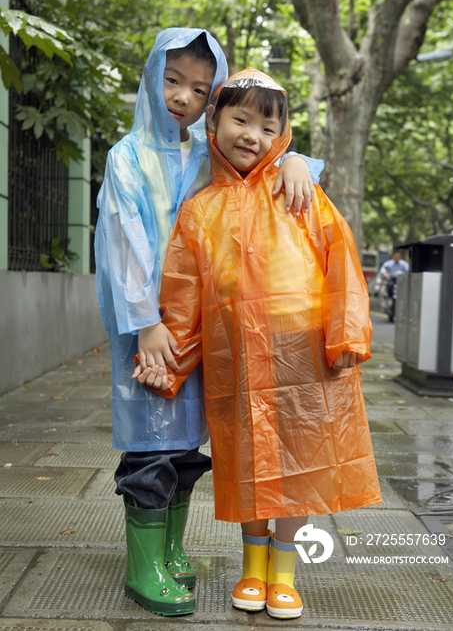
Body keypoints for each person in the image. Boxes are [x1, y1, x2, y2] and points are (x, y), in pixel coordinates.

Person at [135, 68, 382, 620]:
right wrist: (167, 360)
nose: (252, 135)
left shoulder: (298, 190)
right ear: (215, 121)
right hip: (236, 362)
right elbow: (183, 290)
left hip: (307, 358)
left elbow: (339, 258)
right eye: (240, 119)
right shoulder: (200, 210)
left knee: (302, 465)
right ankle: (252, 567)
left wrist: (348, 331)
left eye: (268, 127)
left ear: (283, 135)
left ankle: (285, 573)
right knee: (247, 461)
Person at [95, 29, 320, 617]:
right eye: (171, 81)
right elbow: (126, 246)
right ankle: (143, 567)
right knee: (149, 445)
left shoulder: (204, 152)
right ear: (150, 79)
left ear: (212, 101)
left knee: (188, 447)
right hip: (153, 329)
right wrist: (146, 323)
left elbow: (261, 160)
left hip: (203, 329)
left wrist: (297, 158)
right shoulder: (127, 157)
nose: (182, 97)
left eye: (199, 88)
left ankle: (170, 551)